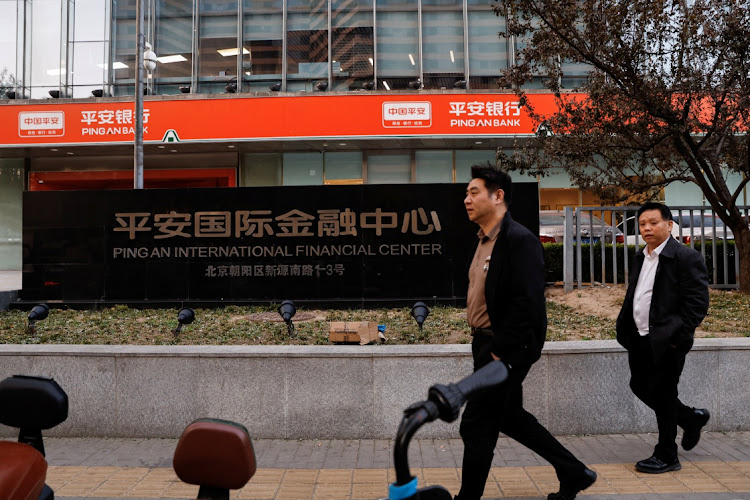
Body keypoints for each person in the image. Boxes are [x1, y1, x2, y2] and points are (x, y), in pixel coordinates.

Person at [456, 162, 596, 500]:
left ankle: (466, 498)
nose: (466, 199)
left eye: (473, 192)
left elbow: (529, 302)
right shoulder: (483, 240)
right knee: (509, 417)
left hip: (504, 350)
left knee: (475, 424)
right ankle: (574, 472)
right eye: (466, 193)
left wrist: (500, 349)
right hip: (486, 344)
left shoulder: (519, 240)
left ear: (498, 196)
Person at [616, 202, 710, 474]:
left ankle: (667, 454)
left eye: (653, 222)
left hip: (668, 341)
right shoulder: (640, 257)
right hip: (640, 338)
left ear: (669, 225)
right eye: (642, 223)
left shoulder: (685, 257)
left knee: (664, 394)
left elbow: (697, 304)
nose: (647, 227)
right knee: (640, 386)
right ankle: (690, 418)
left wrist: (677, 338)